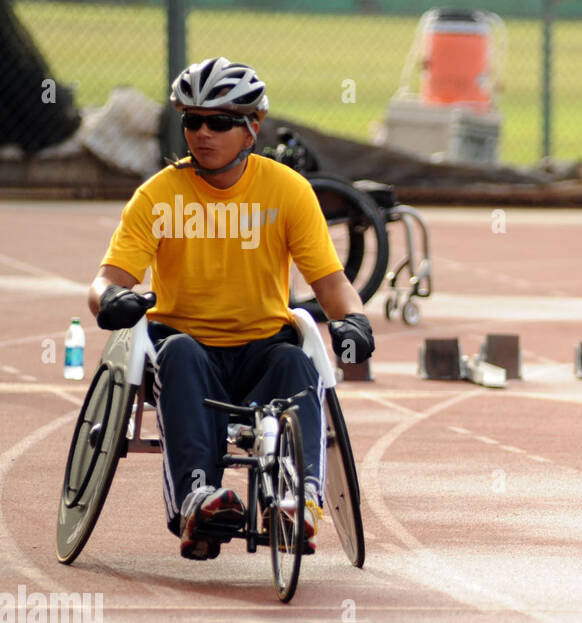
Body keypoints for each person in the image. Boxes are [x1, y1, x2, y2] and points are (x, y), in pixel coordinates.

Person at [87, 57, 375, 560]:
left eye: (219, 122)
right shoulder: (158, 195)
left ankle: (299, 502)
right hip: (188, 348)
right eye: (192, 120)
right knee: (177, 353)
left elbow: (331, 281)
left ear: (251, 130)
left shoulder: (287, 191)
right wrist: (111, 299)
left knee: (295, 361)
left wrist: (354, 320)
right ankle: (200, 500)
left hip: (264, 348)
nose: (203, 133)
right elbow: (107, 280)